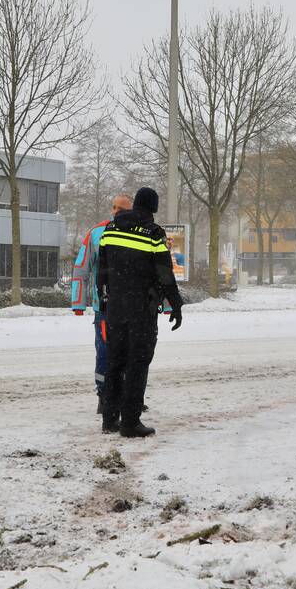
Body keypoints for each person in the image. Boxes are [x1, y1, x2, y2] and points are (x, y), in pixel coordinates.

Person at [97, 187, 183, 437]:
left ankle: (110, 420)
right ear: (153, 208)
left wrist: (105, 300)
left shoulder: (109, 230)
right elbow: (165, 274)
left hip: (114, 307)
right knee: (137, 363)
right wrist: (175, 305)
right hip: (141, 311)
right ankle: (130, 423)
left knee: (115, 362)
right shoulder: (153, 234)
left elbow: (101, 270)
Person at [70, 193, 134, 415]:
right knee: (105, 352)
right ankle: (104, 396)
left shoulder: (140, 233)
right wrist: (78, 302)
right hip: (104, 308)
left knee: (132, 354)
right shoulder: (96, 233)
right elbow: (81, 267)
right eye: (113, 207)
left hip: (132, 309)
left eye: (121, 208)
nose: (115, 211)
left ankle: (129, 396)